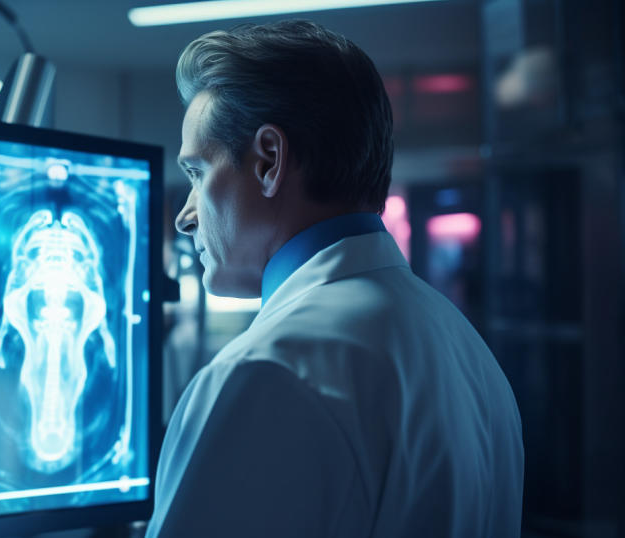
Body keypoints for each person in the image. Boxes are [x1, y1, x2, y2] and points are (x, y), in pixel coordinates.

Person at [146, 20, 524, 538]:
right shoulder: (468, 351)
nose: (184, 217)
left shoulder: (267, 371)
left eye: (196, 174)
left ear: (268, 162)